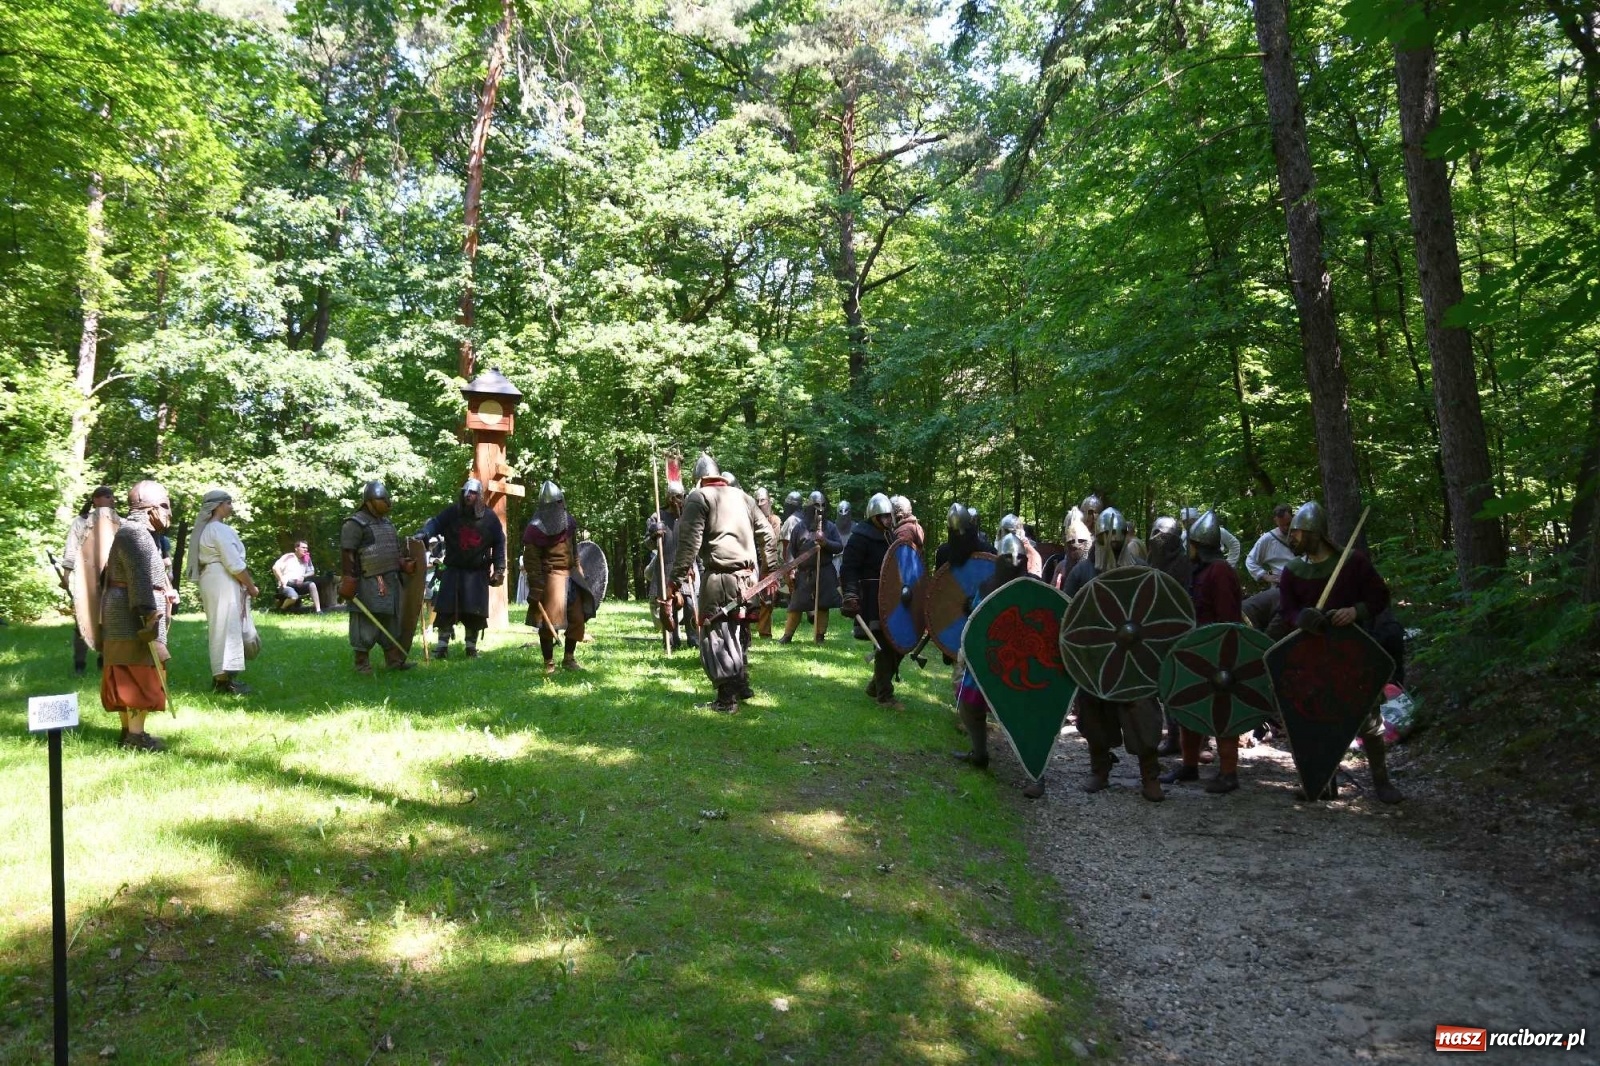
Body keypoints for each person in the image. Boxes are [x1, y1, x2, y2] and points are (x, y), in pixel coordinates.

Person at [1278, 501, 1404, 804]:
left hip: (1351, 652)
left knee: (1368, 717)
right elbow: (1287, 611)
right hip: (1312, 655)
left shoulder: (1353, 563)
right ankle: (1322, 780)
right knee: (1316, 716)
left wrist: (1354, 611)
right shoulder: (1292, 572)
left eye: (1296, 533)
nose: (1292, 538)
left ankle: (1381, 781)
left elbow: (1379, 597)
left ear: (1314, 533)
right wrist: (1301, 619)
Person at [1062, 508, 1165, 801]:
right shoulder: (1083, 570)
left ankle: (1150, 774)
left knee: (1142, 712)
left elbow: (1155, 611)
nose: (1116, 541)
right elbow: (1068, 611)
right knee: (1093, 714)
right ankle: (1100, 769)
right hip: (1096, 656)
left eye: (1121, 535)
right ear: (1101, 536)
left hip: (1134, 657)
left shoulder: (1139, 570)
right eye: (1110, 536)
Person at [669, 454, 778, 712]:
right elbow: (769, 536)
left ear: (699, 479)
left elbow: (689, 545)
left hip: (721, 578)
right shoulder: (745, 498)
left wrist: (675, 580)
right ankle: (741, 684)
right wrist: (768, 571)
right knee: (739, 631)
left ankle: (726, 699)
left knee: (716, 635)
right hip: (748, 579)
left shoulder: (699, 497)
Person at [952, 534, 1051, 797]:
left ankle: (1036, 773)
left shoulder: (1034, 587)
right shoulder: (986, 586)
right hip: (990, 660)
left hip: (1023, 663)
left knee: (1027, 716)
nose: (1015, 560)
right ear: (1000, 558)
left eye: (1019, 556)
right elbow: (975, 622)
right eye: (1008, 556)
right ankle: (980, 753)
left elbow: (1047, 627)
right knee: (969, 703)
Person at [1161, 510, 1246, 793]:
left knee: (1222, 710)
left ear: (1199, 545)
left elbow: (1225, 617)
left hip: (1218, 651)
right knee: (1189, 705)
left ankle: (1228, 773)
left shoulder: (1220, 571)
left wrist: (1220, 651)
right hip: (1197, 648)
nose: (1188, 549)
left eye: (1191, 545)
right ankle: (1189, 766)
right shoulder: (1201, 570)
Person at [100, 481, 175, 750]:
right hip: (132, 614)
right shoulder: (137, 535)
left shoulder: (133, 532)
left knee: (126, 669)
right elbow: (140, 580)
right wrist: (149, 615)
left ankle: (128, 733)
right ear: (148, 509)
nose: (169, 513)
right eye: (164, 506)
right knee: (136, 672)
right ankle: (135, 737)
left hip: (123, 609)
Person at [421, 478, 506, 659]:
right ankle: (442, 647)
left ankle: (471, 648)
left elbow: (499, 542)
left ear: (479, 496)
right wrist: (425, 533)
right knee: (445, 610)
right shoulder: (453, 513)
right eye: (466, 492)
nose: (468, 496)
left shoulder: (490, 518)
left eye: (473, 493)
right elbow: (435, 523)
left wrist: (499, 569)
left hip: (477, 572)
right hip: (453, 569)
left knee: (474, 612)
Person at [340, 480, 416, 674]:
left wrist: (402, 564)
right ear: (369, 501)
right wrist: (349, 580)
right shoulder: (355, 524)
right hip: (367, 581)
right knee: (365, 621)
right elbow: (348, 554)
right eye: (383, 499)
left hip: (390, 580)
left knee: (391, 619)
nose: (387, 503)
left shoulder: (387, 524)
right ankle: (362, 663)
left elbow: (392, 552)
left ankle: (393, 661)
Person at [188, 489, 259, 696]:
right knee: (224, 628)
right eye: (228, 503)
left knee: (225, 627)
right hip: (222, 580)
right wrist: (252, 587)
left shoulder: (209, 530)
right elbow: (234, 565)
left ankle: (225, 678)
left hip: (215, 579)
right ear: (218, 506)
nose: (231, 507)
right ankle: (222, 681)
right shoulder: (218, 529)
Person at [840, 493, 904, 708]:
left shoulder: (890, 537)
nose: (887, 520)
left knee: (898, 644)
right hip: (871, 598)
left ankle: (876, 685)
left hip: (892, 597)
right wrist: (850, 593)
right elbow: (849, 568)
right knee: (886, 645)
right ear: (874, 516)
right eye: (883, 516)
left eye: (889, 516)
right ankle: (885, 696)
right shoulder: (861, 536)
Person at [522, 480, 588, 673]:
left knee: (577, 618)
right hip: (550, 578)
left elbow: (574, 551)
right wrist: (536, 587)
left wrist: (579, 569)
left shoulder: (568, 522)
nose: (559, 506)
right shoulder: (535, 529)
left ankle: (569, 658)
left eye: (560, 502)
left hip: (571, 576)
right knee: (548, 623)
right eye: (555, 503)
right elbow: (531, 561)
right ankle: (548, 662)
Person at [61, 484, 118, 674]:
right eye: (106, 496)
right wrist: (66, 576)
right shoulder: (81, 522)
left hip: (112, 578)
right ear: (95, 500)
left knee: (110, 620)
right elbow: (71, 549)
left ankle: (106, 660)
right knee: (82, 621)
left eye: (112, 496)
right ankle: (79, 664)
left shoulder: (121, 522)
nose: (111, 499)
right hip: (86, 578)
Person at [780, 490, 843, 644]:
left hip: (825, 571)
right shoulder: (800, 527)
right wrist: (791, 570)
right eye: (816, 505)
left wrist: (825, 542)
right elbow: (791, 551)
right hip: (804, 572)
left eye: (822, 505)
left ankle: (820, 636)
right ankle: (787, 636)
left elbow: (839, 547)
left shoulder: (830, 527)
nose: (819, 509)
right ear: (809, 507)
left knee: (822, 606)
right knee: (796, 606)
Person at [646, 476, 689, 649]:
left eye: (683, 497)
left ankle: (693, 640)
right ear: (670, 499)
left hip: (684, 568)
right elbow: (647, 544)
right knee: (666, 608)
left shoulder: (687, 517)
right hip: (664, 567)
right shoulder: (657, 517)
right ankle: (670, 641)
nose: (682, 501)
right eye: (679, 497)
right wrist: (655, 535)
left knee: (689, 605)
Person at [1243, 503, 1297, 629]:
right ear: (1275, 521)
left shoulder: (1301, 533)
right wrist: (1264, 575)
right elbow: (1250, 560)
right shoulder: (1268, 539)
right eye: (1281, 524)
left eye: (1288, 524)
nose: (1285, 528)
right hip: (1280, 588)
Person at [753, 487, 783, 638]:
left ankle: (765, 631)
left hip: (768, 563)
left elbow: (772, 542)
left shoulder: (774, 520)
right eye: (757, 500)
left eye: (762, 500)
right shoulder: (749, 519)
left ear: (769, 501)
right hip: (752, 562)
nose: (759, 504)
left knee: (768, 599)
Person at [272, 541, 322, 613]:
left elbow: (312, 571)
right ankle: (282, 609)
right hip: (286, 585)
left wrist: (303, 576)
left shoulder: (307, 558)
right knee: (293, 597)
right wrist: (281, 579)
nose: (305, 550)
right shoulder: (288, 557)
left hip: (299, 584)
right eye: (303, 548)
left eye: (306, 548)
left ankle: (318, 610)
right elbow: (275, 568)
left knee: (312, 585)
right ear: (296, 548)